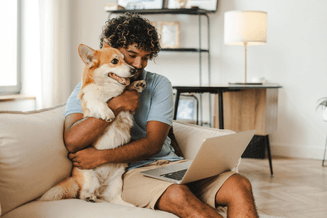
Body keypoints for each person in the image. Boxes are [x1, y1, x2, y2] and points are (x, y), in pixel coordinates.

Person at [65, 13, 258, 218]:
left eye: (146, 57)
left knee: (239, 184)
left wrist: (101, 156)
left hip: (172, 165)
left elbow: (153, 144)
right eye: (132, 54)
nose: (139, 65)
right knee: (177, 194)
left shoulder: (158, 84)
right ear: (108, 46)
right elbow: (72, 141)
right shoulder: (86, 89)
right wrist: (116, 105)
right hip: (130, 173)